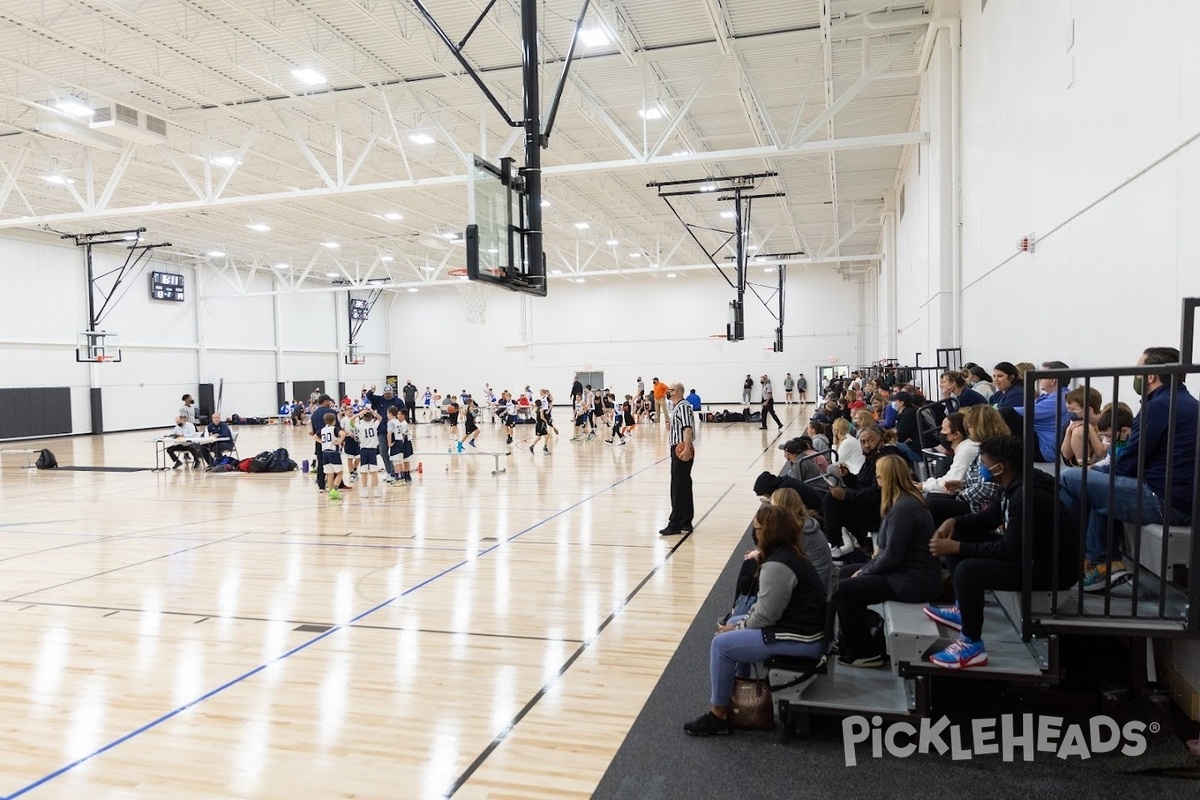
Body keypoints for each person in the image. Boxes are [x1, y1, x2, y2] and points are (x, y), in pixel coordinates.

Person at [925, 436, 1080, 668]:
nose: (981, 469)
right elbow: (988, 518)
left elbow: (1009, 549)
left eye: (984, 464)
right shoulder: (1012, 484)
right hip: (1030, 555)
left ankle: (971, 645)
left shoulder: (1028, 495)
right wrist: (955, 522)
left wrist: (957, 548)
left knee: (969, 571)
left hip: (1052, 569)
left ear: (1000, 467)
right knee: (958, 535)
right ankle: (962, 609)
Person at [1059, 347, 1198, 592]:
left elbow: (1132, 460)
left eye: (1138, 369)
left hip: (1163, 500)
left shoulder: (1160, 406)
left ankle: (1076, 561)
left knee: (1070, 478)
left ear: (1152, 376)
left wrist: (1097, 474)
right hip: (1182, 500)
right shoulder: (1189, 404)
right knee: (1095, 485)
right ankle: (1101, 562)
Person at [683, 505, 826, 737]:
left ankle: (718, 714)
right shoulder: (790, 554)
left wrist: (736, 627)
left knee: (721, 644)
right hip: (803, 630)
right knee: (737, 622)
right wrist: (739, 623)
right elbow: (766, 611)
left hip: (802, 639)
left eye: (756, 528)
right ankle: (740, 698)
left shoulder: (778, 565)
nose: (754, 533)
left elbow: (765, 616)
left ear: (768, 532)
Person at [835, 454, 942, 668]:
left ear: (888, 478)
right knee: (844, 574)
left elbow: (892, 556)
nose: (877, 482)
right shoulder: (903, 501)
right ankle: (852, 639)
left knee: (845, 590)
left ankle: (866, 652)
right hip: (906, 573)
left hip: (912, 581)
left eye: (879, 478)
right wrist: (865, 569)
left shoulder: (903, 509)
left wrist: (865, 572)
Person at [822, 426, 898, 557]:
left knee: (832, 501)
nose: (866, 445)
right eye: (862, 442)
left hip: (882, 512)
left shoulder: (886, 460)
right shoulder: (872, 459)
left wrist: (846, 494)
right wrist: (848, 477)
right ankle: (858, 543)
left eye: (871, 440)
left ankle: (836, 546)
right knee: (832, 500)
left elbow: (876, 495)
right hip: (873, 507)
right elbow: (861, 486)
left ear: (882, 440)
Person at [1015, 360, 1069, 462]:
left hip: (1044, 448)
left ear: (1052, 380)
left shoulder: (1059, 398)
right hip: (1038, 440)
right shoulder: (1049, 396)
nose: (1039, 380)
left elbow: (1027, 412)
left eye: (1042, 376)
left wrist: (995, 412)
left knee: (1008, 414)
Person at [661, 383, 695, 536]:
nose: (667, 392)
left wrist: (687, 448)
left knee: (678, 486)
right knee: (684, 484)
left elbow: (687, 428)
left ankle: (675, 522)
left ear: (676, 392)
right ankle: (686, 521)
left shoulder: (683, 406)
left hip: (681, 449)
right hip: (678, 446)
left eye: (669, 390)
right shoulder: (677, 407)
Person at [920, 412, 977, 495]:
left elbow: (951, 483)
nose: (941, 433)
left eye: (944, 429)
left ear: (956, 434)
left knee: (932, 499)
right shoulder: (964, 447)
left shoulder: (965, 450)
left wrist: (922, 486)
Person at [366, 385, 405, 482]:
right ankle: (390, 471)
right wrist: (371, 391)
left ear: (392, 393)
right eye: (386, 394)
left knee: (396, 455)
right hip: (382, 431)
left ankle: (399, 474)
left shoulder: (398, 401)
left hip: (394, 433)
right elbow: (368, 396)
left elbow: (404, 413)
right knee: (383, 451)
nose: (387, 395)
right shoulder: (379, 400)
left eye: (389, 393)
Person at [1059, 386, 1104, 467]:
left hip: (1104, 463)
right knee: (1078, 430)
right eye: (1068, 409)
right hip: (1080, 463)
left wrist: (1090, 429)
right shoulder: (1072, 423)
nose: (1069, 412)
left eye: (1072, 409)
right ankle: (1083, 468)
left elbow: (1101, 453)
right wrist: (1069, 431)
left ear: (1089, 410)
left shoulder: (1107, 422)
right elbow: (1066, 455)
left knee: (1080, 431)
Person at [317, 411, 347, 500]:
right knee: (339, 473)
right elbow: (343, 434)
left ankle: (331, 492)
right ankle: (334, 490)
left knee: (330, 474)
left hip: (324, 453)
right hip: (333, 452)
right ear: (334, 420)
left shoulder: (323, 430)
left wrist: (322, 442)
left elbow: (315, 436)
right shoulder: (334, 428)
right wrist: (340, 441)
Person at [356, 408, 384, 498]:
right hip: (372, 450)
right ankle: (376, 490)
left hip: (363, 450)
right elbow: (380, 418)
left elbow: (351, 421)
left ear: (363, 416)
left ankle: (364, 491)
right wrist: (372, 411)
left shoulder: (359, 425)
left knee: (364, 472)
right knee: (374, 472)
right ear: (372, 416)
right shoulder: (374, 424)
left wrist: (359, 413)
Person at [387, 406, 414, 484]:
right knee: (402, 460)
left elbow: (401, 435)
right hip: (402, 442)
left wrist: (389, 443)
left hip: (403, 442)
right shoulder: (399, 422)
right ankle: (403, 476)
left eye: (399, 414)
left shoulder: (402, 424)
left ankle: (402, 476)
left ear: (403, 415)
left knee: (402, 461)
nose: (398, 415)